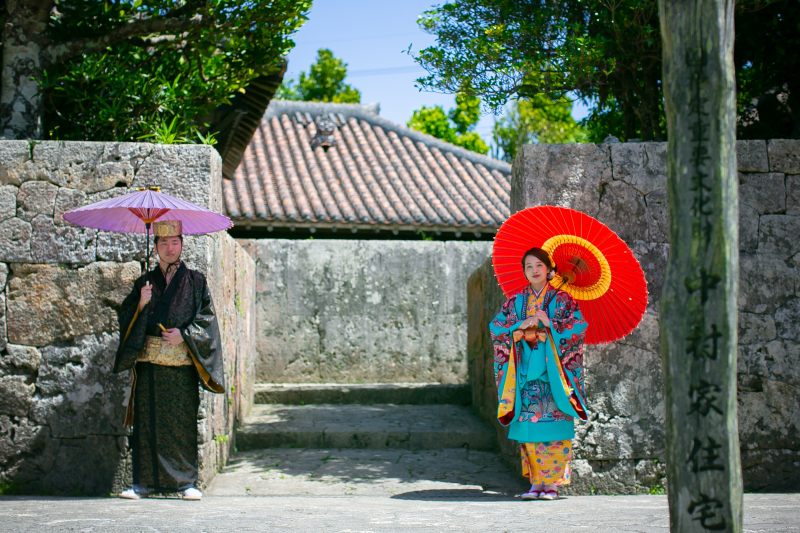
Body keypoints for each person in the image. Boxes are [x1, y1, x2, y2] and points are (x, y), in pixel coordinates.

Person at [114, 219, 225, 500]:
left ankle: (186, 483)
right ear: (155, 247)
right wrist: (140, 303)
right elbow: (125, 318)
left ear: (182, 244)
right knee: (147, 423)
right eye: (163, 243)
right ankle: (143, 484)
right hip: (149, 365)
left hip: (181, 366)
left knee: (181, 423)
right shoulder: (144, 283)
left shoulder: (196, 281)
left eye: (174, 242)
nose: (169, 247)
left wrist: (185, 336)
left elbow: (207, 320)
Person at [490, 247, 588, 500]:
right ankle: (535, 483)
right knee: (529, 429)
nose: (534, 270)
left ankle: (552, 485)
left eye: (539, 265)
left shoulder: (564, 300)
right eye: (528, 266)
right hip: (525, 373)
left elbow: (577, 329)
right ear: (524, 272)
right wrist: (518, 326)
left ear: (549, 270)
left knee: (553, 429)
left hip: (553, 376)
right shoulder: (515, 302)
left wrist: (550, 324)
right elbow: (497, 327)